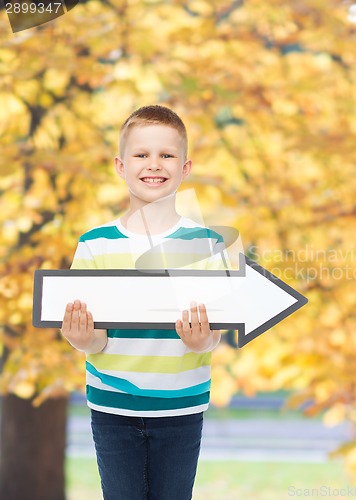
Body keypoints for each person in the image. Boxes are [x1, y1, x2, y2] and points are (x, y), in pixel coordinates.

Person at [61, 105, 226, 500]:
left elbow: (216, 332)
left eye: (167, 155)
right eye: (142, 154)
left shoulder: (206, 244)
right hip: (112, 408)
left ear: (185, 168)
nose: (155, 164)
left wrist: (203, 340)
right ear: (120, 166)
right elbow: (94, 337)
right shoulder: (94, 244)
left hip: (181, 407)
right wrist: (83, 340)